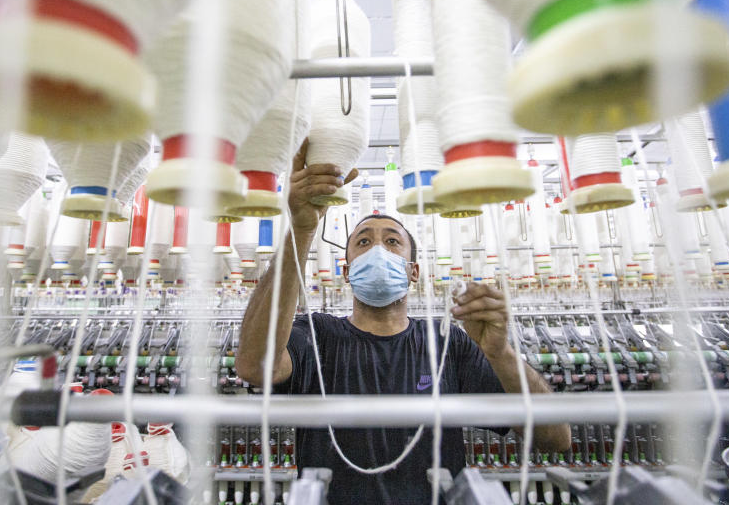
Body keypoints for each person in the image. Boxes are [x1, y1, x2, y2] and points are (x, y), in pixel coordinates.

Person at [236, 140, 571, 505]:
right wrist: (301, 230)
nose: (377, 249)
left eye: (392, 241)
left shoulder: (447, 344)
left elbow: (555, 439)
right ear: (347, 272)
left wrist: (500, 353)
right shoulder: (316, 336)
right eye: (363, 241)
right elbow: (254, 366)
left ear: (413, 271)